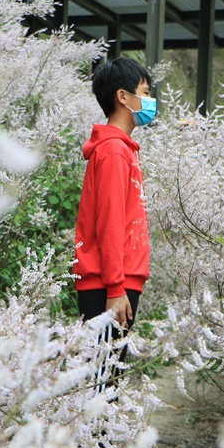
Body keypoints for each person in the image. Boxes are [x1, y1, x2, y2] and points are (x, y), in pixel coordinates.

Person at [73, 57, 155, 377]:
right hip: (110, 286)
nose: (149, 101)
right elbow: (109, 223)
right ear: (123, 97)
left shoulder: (123, 149)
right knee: (102, 385)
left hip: (116, 282)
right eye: (144, 92)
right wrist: (116, 289)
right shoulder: (113, 151)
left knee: (105, 380)